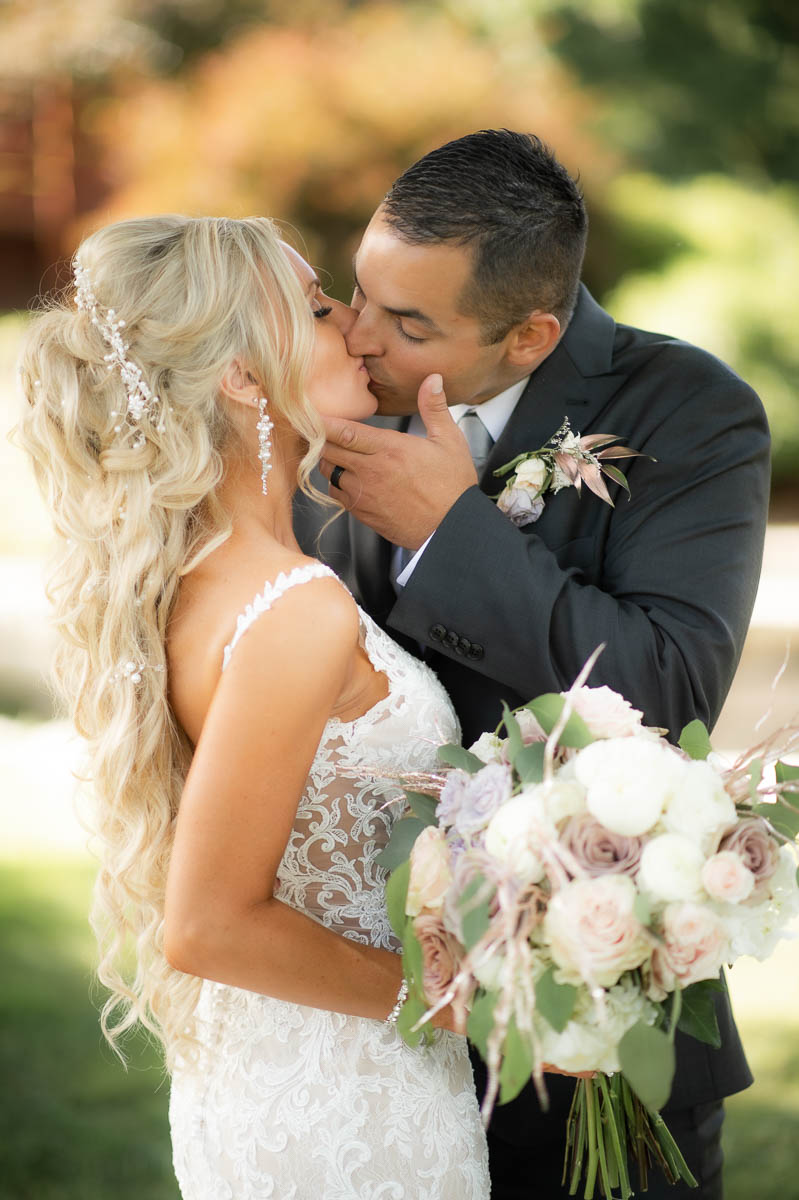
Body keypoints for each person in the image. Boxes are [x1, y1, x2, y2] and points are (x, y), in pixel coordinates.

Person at [294, 129, 771, 1199]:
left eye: (409, 323)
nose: (360, 334)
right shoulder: (340, 387)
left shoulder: (688, 411)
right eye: (360, 292)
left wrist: (448, 532)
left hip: (587, 1011)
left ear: (530, 336)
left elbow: (667, 684)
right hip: (367, 1016)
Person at [16, 215, 491, 1199]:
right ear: (240, 375)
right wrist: (466, 1001)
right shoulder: (292, 608)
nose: (354, 324)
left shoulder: (199, 578)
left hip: (273, 1075)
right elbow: (207, 926)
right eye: (316, 309)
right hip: (348, 1104)